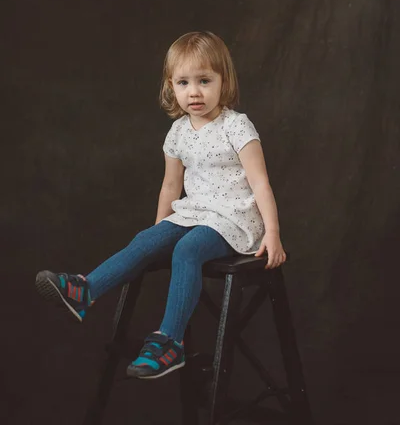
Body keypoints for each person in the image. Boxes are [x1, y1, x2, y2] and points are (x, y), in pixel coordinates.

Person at [35, 31, 286, 380]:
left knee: (187, 250)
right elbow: (171, 185)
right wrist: (157, 236)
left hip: (233, 218)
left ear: (223, 82)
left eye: (204, 81)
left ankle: (170, 342)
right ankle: (85, 291)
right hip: (194, 211)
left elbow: (260, 182)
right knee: (145, 239)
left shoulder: (236, 126)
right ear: (172, 86)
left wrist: (272, 232)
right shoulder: (178, 132)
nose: (194, 92)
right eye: (184, 82)